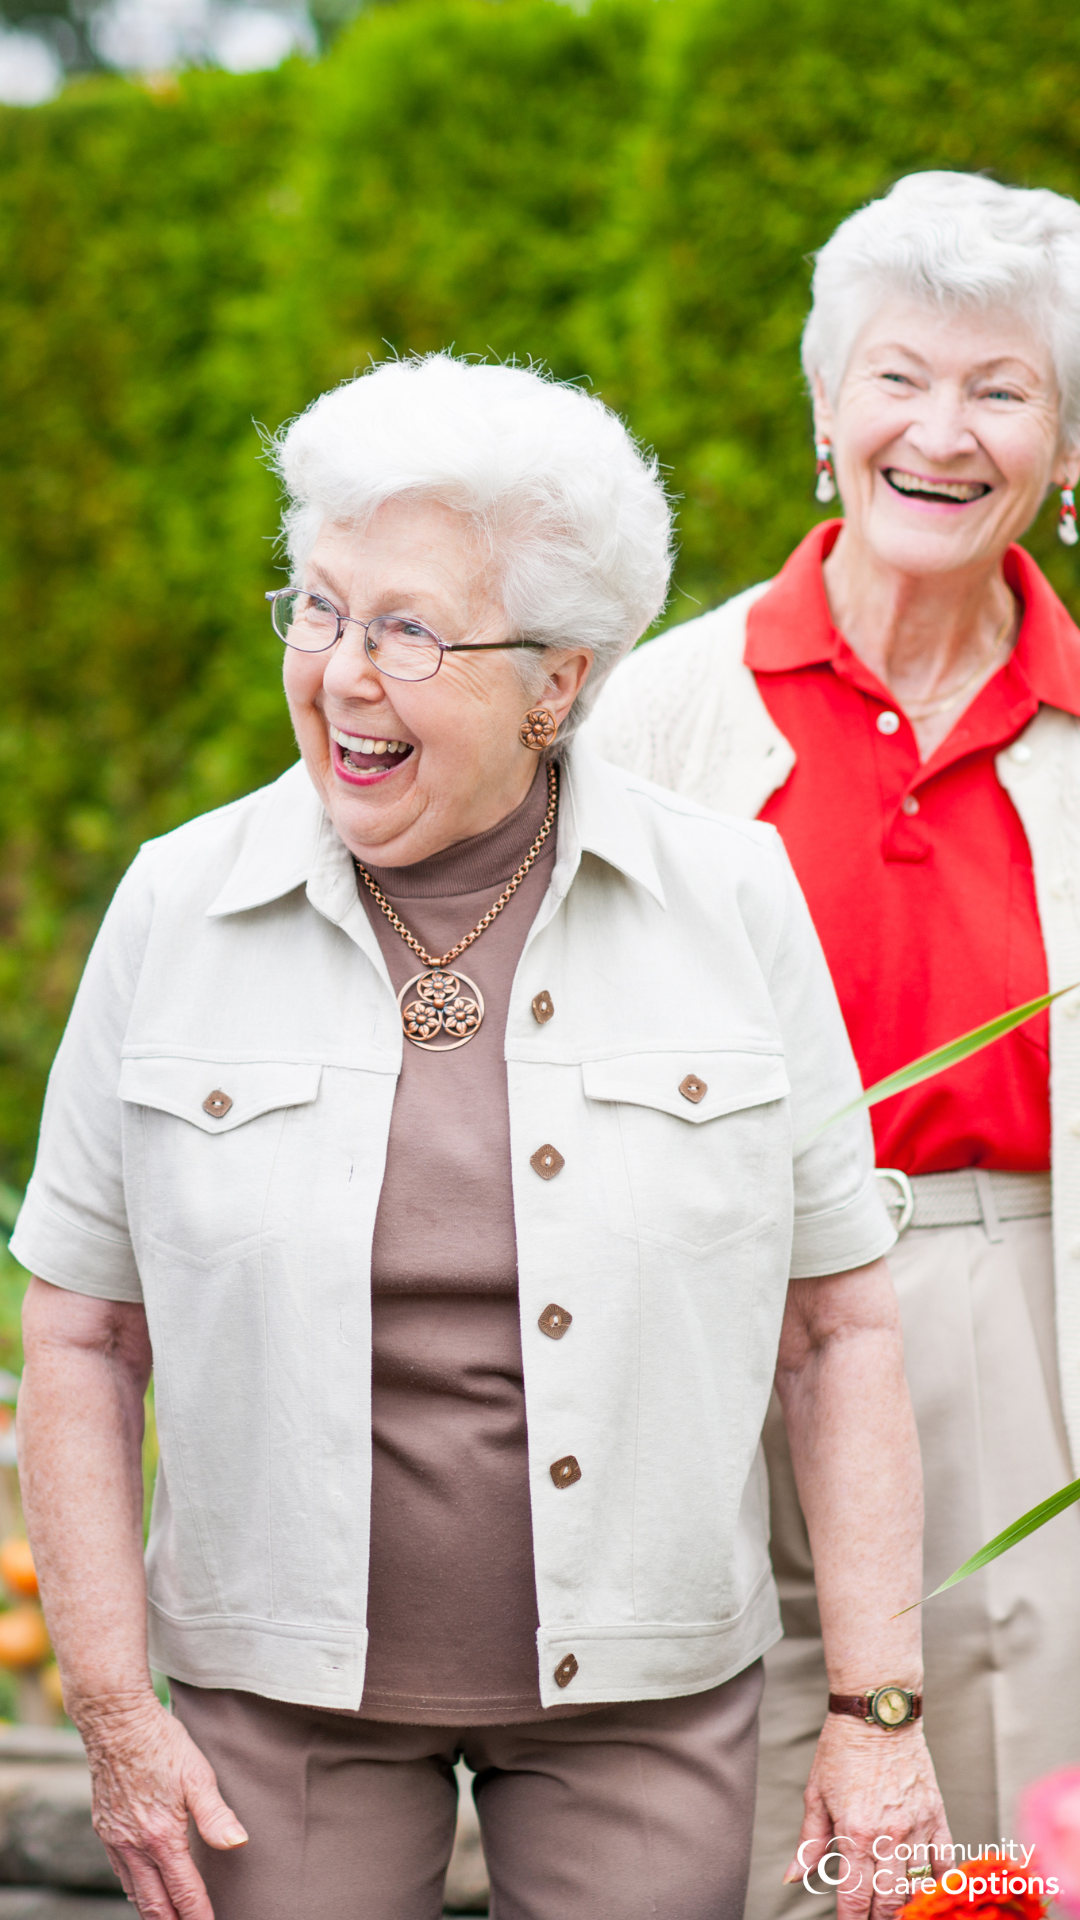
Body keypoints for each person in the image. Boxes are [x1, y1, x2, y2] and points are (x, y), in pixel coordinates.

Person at [12, 353, 944, 1920]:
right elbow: (81, 1336)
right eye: (317, 607)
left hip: (647, 1691)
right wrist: (114, 1712)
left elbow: (837, 1332)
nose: (342, 674)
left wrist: (876, 1713)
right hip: (280, 1706)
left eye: (410, 630)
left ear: (558, 681)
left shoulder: (727, 897)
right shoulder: (179, 903)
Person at [587, 170, 1080, 1917]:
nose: (941, 432)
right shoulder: (664, 708)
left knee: (1010, 1817)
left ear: (1064, 445)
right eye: (899, 376)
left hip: (1024, 1322)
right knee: (730, 1812)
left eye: (1002, 388)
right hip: (719, 1311)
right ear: (825, 408)